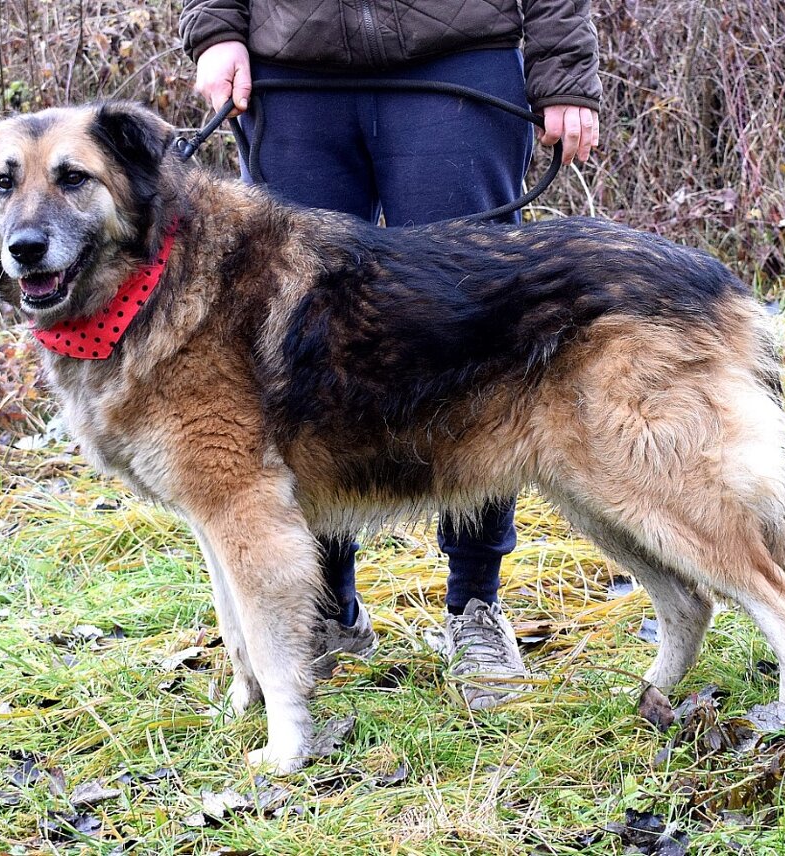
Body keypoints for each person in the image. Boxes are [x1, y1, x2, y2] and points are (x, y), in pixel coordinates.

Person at [180, 0, 602, 710]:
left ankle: (476, 604)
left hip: (459, 55)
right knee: (300, 351)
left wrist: (565, 72)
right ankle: (325, 608)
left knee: (478, 336)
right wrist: (216, 33)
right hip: (293, 70)